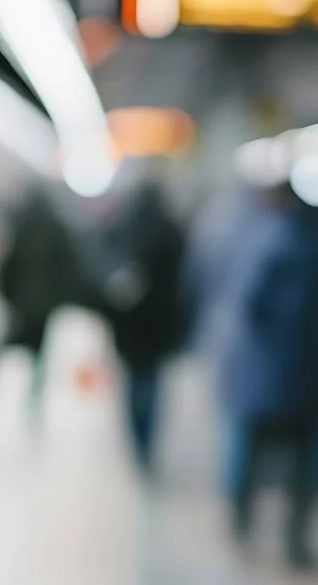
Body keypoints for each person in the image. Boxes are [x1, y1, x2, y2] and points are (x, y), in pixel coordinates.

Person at [213, 182, 318, 571]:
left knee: (249, 451)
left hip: (261, 371)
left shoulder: (255, 237)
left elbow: (247, 304)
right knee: (303, 462)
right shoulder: (308, 245)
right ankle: (295, 541)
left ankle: (241, 520)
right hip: (298, 370)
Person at [90, 178, 189, 476]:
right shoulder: (171, 229)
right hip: (158, 327)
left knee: (134, 384)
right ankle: (147, 441)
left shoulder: (123, 228)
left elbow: (102, 272)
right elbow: (184, 282)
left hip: (129, 327)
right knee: (152, 385)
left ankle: (137, 442)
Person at [0, 186, 79, 420]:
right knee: (41, 348)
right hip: (47, 305)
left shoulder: (21, 230)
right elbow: (68, 268)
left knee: (26, 345)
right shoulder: (58, 229)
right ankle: (36, 388)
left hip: (24, 303)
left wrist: (9, 296)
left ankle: (29, 389)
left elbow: (8, 268)